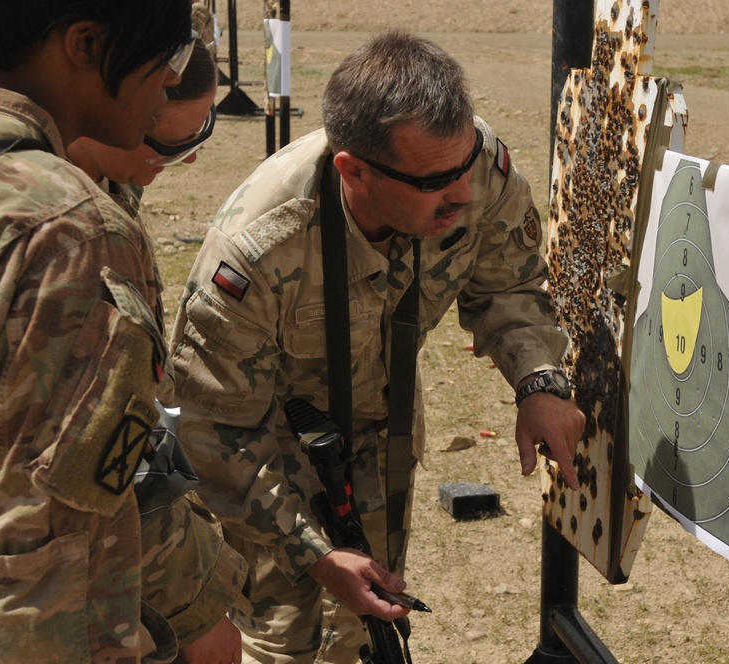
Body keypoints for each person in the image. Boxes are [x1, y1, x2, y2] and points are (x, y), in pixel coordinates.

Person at [166, 30, 586, 663]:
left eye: (466, 166)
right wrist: (314, 552)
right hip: (263, 461)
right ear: (353, 171)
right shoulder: (260, 249)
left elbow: (511, 283)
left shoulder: (471, 167)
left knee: (368, 628)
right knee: (284, 641)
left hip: (378, 434)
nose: (464, 194)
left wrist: (539, 381)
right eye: (438, 181)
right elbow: (215, 429)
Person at [0, 1, 243, 662]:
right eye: (168, 58)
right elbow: (37, 574)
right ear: (84, 44)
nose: (171, 83)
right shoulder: (67, 229)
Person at [67, 35, 219, 216]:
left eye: (196, 135)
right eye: (171, 145)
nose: (189, 159)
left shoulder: (119, 183)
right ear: (95, 118)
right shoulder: (57, 214)